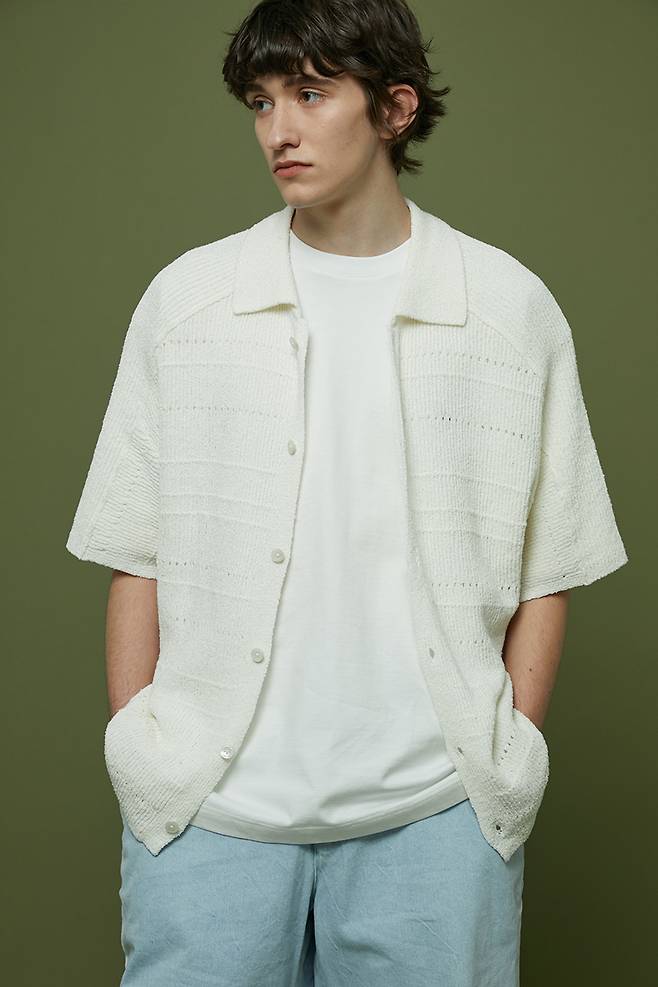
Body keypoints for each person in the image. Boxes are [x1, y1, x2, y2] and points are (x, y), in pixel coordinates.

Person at [65, 1, 629, 984]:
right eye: (262, 102)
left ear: (394, 109)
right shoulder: (188, 302)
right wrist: (142, 748)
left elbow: (551, 563)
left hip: (436, 817)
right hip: (209, 815)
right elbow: (135, 551)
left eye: (311, 94)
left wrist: (508, 750)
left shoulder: (507, 309)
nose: (277, 129)